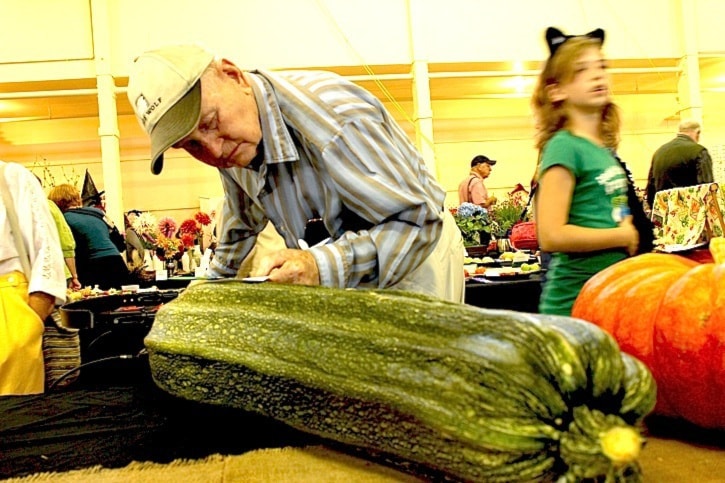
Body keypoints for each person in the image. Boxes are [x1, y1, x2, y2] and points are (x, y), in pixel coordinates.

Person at [126, 44, 464, 302]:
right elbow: (240, 227)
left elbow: (418, 222)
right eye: (191, 146)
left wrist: (320, 266)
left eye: (211, 123)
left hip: (414, 254)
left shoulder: (337, 118)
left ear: (233, 75)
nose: (213, 150)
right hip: (337, 267)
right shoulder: (231, 148)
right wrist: (204, 291)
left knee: (420, 384)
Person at [531, 27, 639, 316]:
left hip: (608, 295)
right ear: (556, 90)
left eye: (601, 66)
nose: (597, 75)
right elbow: (552, 235)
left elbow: (611, 208)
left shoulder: (601, 150)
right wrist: (622, 236)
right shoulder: (564, 146)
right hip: (574, 304)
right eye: (581, 70)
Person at [0, 160, 67, 395]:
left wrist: (33, 319)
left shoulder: (10, 177)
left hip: (10, 307)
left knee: (15, 416)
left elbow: (46, 249)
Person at [48, 184, 130, 290]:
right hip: (117, 263)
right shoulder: (99, 213)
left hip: (93, 268)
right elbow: (120, 243)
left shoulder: (64, 219)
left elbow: (72, 249)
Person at [645, 119, 714, 207]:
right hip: (690, 214)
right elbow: (707, 189)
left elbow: (651, 188)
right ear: (698, 133)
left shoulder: (659, 152)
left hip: (665, 213)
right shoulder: (699, 151)